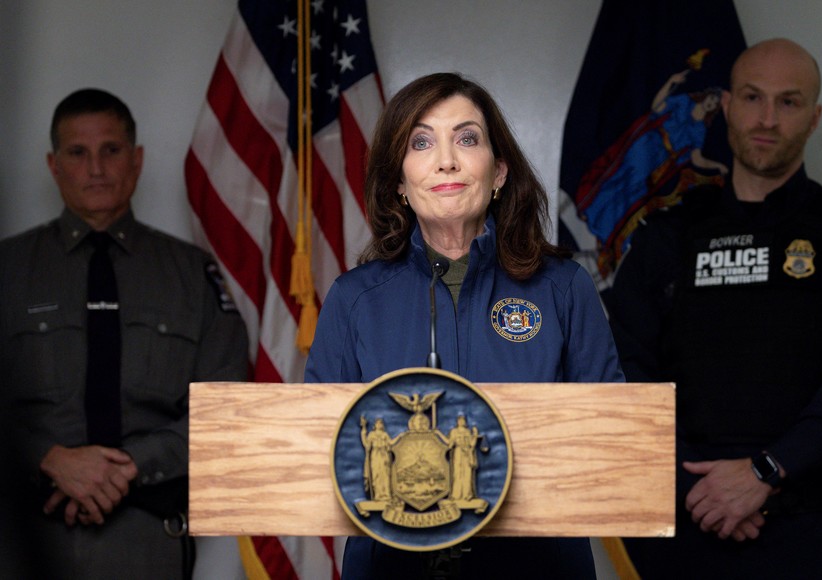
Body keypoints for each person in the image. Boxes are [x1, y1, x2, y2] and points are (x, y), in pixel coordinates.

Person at [305, 72, 624, 579]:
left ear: (499, 172)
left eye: (467, 138)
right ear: (399, 183)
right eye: (421, 142)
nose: (446, 160)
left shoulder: (564, 287)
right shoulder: (353, 299)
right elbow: (317, 452)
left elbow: (614, 440)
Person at [607, 38, 822, 579]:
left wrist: (768, 471)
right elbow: (621, 374)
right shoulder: (666, 236)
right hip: (686, 527)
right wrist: (698, 488)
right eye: (752, 97)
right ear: (726, 106)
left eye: (788, 102)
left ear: (815, 117)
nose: (767, 118)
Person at [0, 88, 249, 579]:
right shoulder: (7, 269)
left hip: (148, 541)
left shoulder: (191, 274)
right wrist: (48, 459)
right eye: (78, 152)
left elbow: (227, 409)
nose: (96, 168)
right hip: (25, 543)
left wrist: (129, 466)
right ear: (54, 165)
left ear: (136, 160)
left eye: (111, 150)